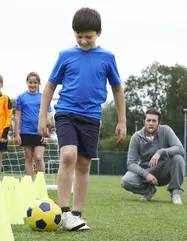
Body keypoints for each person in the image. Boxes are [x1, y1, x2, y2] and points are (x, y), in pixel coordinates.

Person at [38, 7, 127, 231]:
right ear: (73, 34)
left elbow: (117, 89)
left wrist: (122, 120)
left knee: (84, 164)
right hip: (66, 112)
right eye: (79, 37)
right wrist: (43, 116)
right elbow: (49, 86)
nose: (84, 41)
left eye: (88, 37)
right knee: (68, 155)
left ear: (99, 32)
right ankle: (64, 213)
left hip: (91, 116)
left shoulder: (107, 58)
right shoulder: (66, 56)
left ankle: (76, 215)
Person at [121, 108, 185, 204]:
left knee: (178, 158)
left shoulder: (166, 130)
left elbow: (180, 149)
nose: (151, 123)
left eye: (154, 121)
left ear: (159, 122)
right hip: (146, 171)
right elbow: (131, 163)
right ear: (144, 121)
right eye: (148, 120)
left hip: (164, 170)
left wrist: (160, 152)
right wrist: (146, 174)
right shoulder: (136, 137)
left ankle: (175, 193)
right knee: (126, 181)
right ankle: (149, 190)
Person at [15, 72, 51, 181]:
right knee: (28, 158)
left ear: (39, 84)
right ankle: (30, 184)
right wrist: (16, 134)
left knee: (39, 158)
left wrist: (46, 133)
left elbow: (48, 116)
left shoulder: (43, 97)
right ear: (27, 83)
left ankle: (40, 184)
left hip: (40, 132)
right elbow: (17, 117)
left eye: (35, 82)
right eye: (30, 82)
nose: (32, 85)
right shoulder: (21, 97)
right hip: (26, 131)